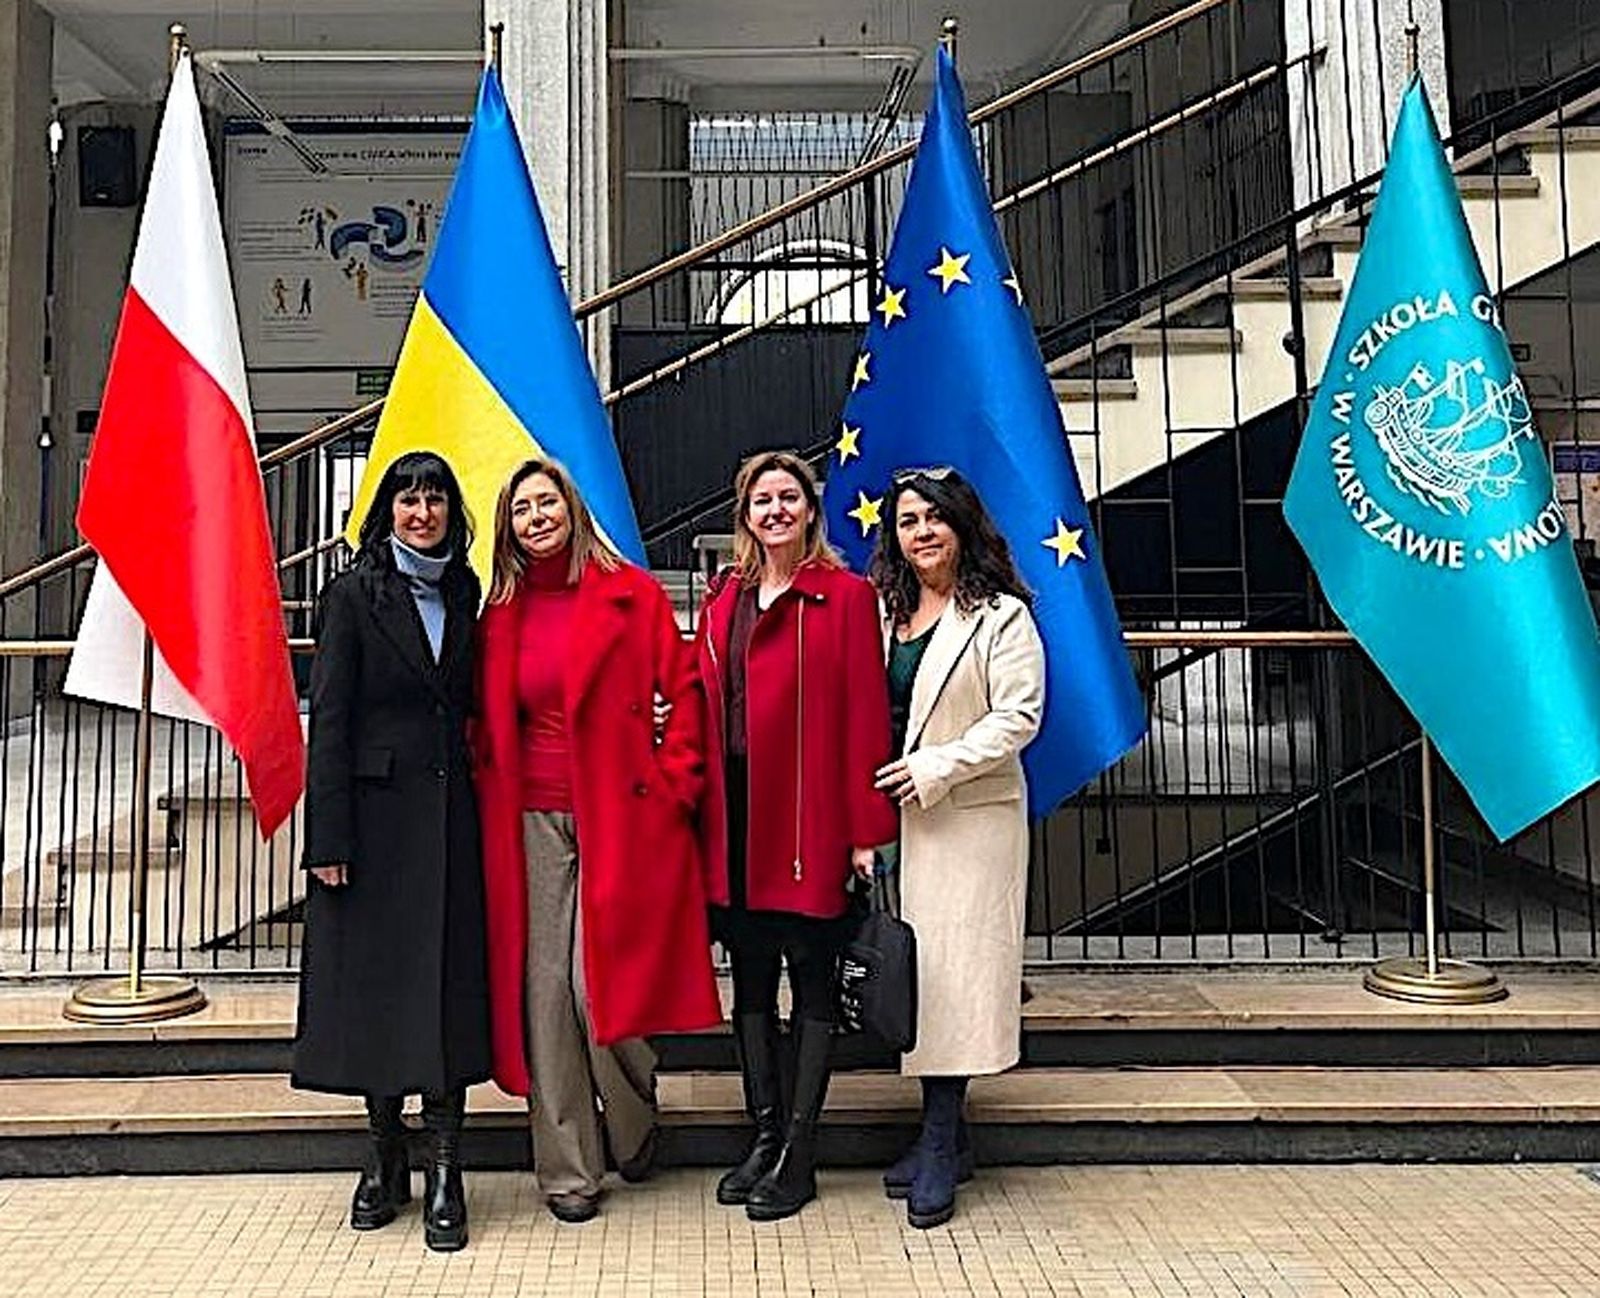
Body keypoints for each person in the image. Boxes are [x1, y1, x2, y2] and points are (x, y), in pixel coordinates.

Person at [473, 457, 722, 1225]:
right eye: (522, 510)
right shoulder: (500, 615)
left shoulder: (632, 595)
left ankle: (636, 1120)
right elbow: (484, 723)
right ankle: (568, 1169)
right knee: (545, 997)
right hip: (529, 822)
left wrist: (676, 782)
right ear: (508, 529)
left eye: (547, 503)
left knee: (600, 986)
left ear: (573, 511)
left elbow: (685, 694)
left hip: (624, 816)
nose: (537, 517)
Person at [294, 450, 489, 1253]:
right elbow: (329, 720)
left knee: (444, 991)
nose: (422, 513)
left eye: (435, 498)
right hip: (372, 828)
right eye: (408, 500)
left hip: (450, 823)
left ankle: (446, 1165)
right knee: (376, 994)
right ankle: (385, 1157)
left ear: (452, 510)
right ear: (387, 512)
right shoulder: (351, 595)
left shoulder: (468, 591)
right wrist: (327, 836)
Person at [695, 449, 898, 1222]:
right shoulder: (725, 598)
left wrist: (862, 831)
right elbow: (697, 690)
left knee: (811, 981)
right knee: (748, 980)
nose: (774, 510)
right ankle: (764, 1135)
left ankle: (801, 1152)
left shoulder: (844, 596)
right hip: (737, 817)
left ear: (810, 510)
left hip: (810, 817)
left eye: (788, 497)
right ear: (743, 516)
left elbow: (864, 718)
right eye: (760, 500)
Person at [867, 467, 1045, 1230]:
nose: (923, 533)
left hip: (969, 819)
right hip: (900, 823)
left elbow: (1020, 716)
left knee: (955, 980)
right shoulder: (886, 611)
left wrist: (936, 766)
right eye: (908, 522)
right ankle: (954, 1135)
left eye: (935, 519)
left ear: (963, 526)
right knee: (918, 978)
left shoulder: (1000, 615)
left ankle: (939, 1141)